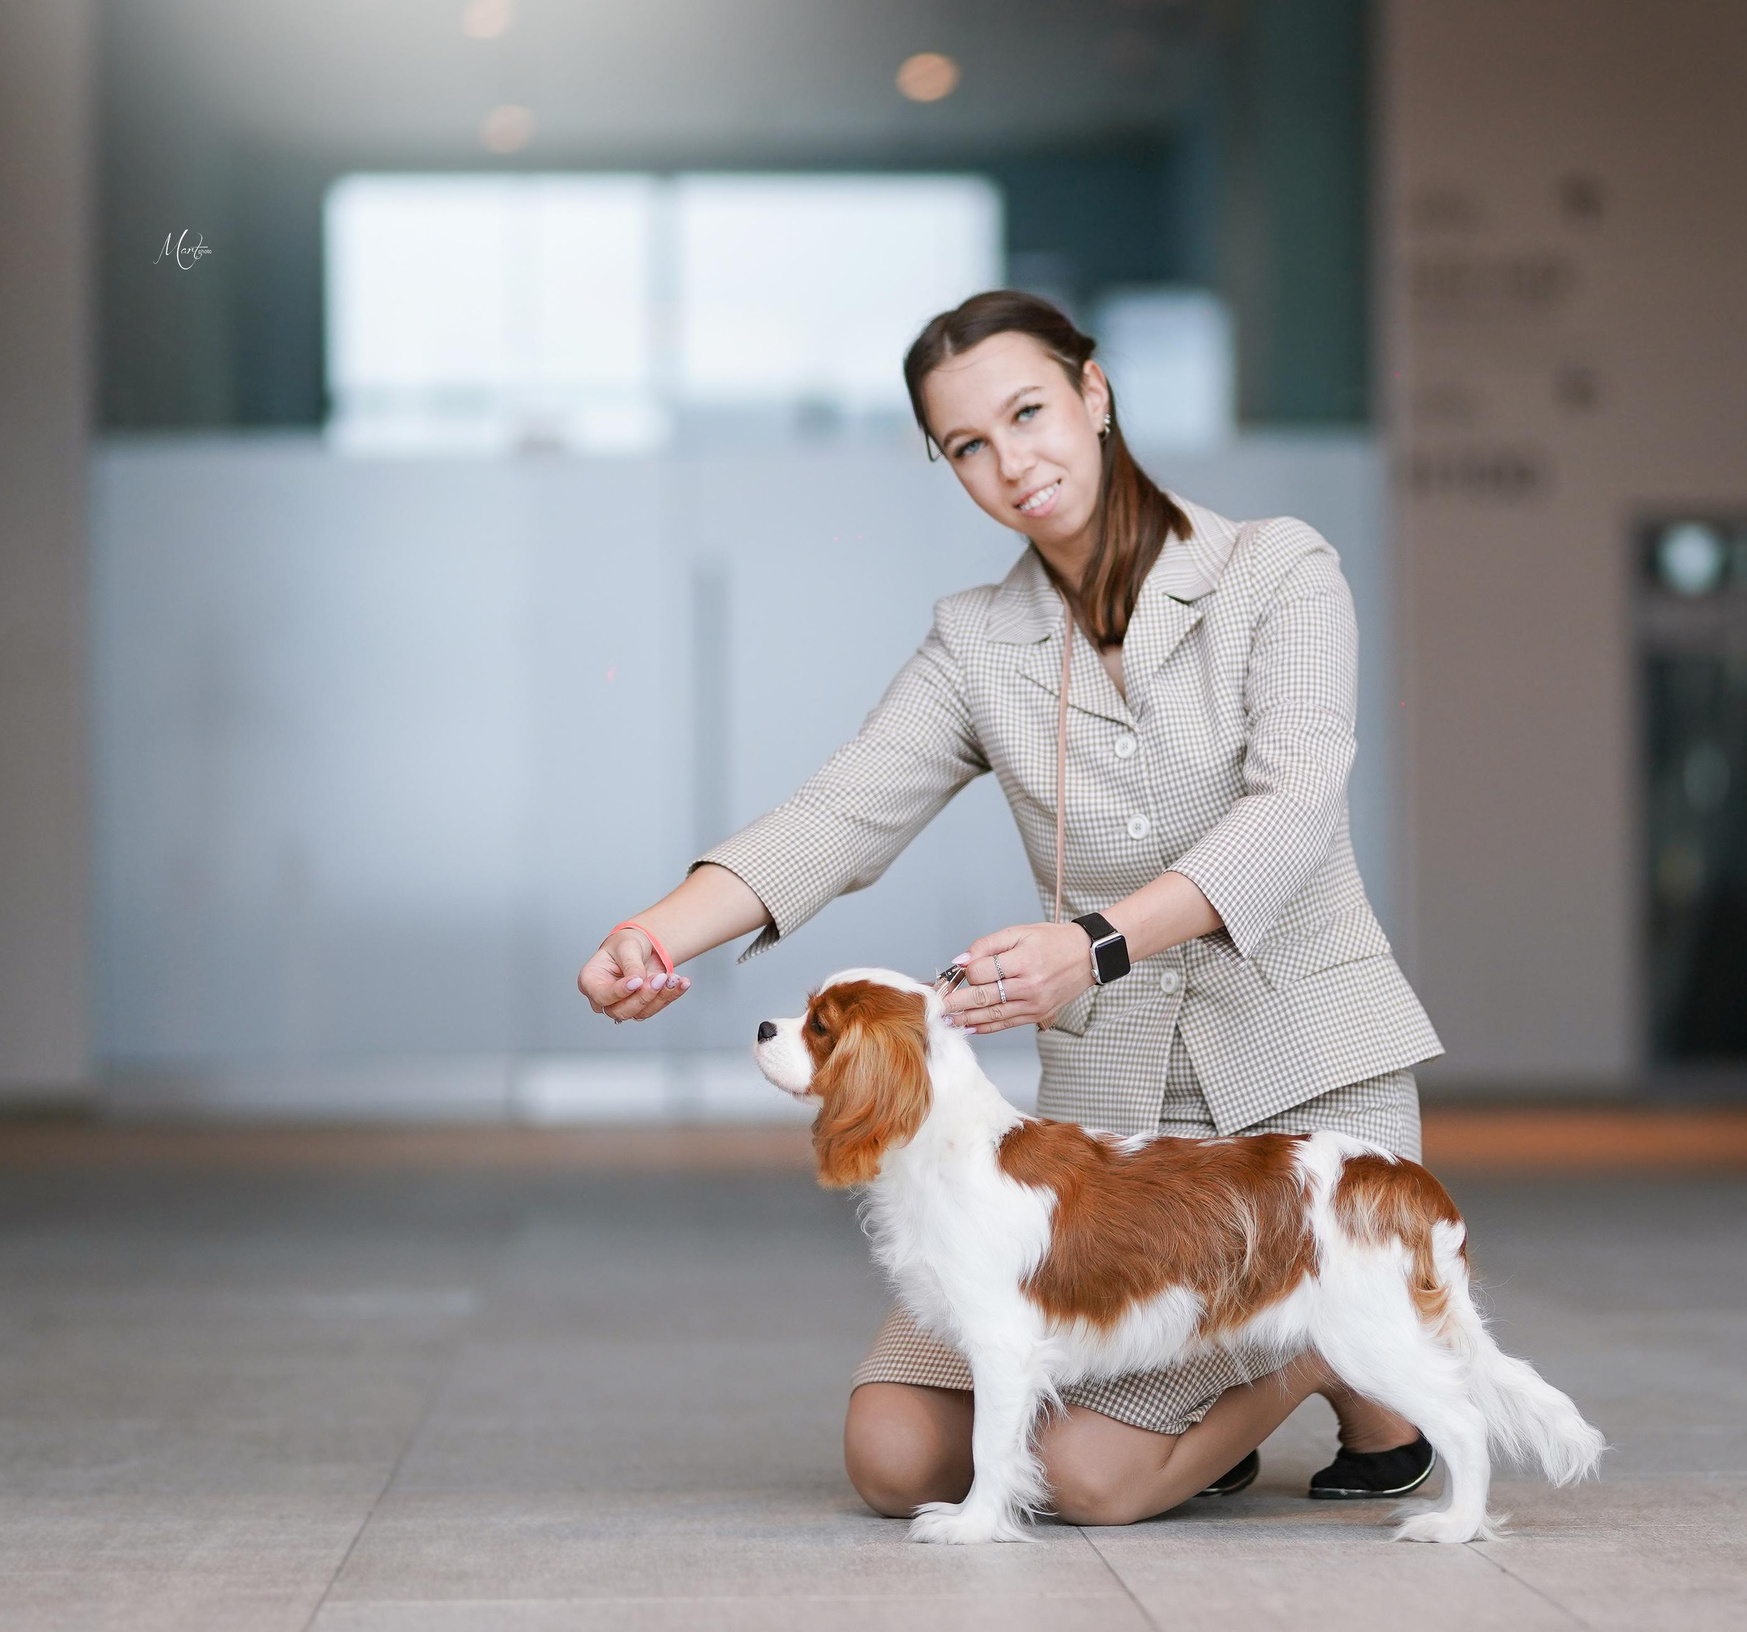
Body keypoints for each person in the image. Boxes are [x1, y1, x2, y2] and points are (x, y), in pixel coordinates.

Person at [577, 290, 1445, 1525]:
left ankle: (1318, 1336)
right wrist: (653, 934)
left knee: (1089, 1479)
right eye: (966, 446)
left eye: (1028, 412)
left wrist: (1093, 944)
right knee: (892, 1454)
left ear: (1095, 394)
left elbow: (1294, 809)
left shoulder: (1277, 571)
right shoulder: (978, 642)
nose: (1011, 462)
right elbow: (840, 813)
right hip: (1110, 1138)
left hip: (1298, 1093)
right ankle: (1222, 1399)